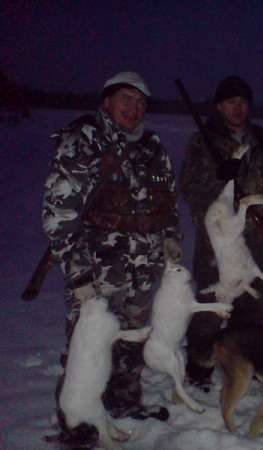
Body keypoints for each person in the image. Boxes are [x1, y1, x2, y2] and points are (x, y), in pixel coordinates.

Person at [42, 71, 181, 445]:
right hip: (98, 269)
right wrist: (78, 273)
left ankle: (123, 402)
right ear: (106, 102)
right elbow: (59, 211)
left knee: (132, 340)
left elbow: (167, 201)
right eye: (125, 99)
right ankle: (77, 423)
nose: (133, 108)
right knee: (87, 347)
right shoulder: (84, 139)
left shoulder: (153, 147)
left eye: (140, 102)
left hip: (143, 267)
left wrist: (170, 238)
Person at [179, 75, 263, 386]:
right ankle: (200, 364)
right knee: (213, 299)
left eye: (242, 102)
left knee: (251, 303)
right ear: (219, 106)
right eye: (230, 102)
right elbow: (188, 189)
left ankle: (244, 361)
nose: (237, 108)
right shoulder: (203, 141)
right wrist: (219, 176)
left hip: (255, 236)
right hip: (216, 240)